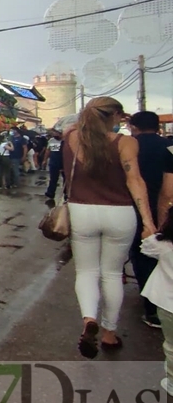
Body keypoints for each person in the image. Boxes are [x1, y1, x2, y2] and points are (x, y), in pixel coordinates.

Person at [64, 97, 156, 359]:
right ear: (115, 115)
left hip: (82, 211)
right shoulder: (126, 142)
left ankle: (89, 319)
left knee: (86, 271)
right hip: (119, 213)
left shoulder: (71, 138)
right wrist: (148, 223)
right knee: (113, 274)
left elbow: (73, 129)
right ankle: (109, 333)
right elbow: (135, 181)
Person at [128, 111, 173, 328]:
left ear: (134, 126)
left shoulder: (129, 147)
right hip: (167, 211)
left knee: (141, 253)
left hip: (136, 208)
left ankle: (151, 308)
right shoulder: (167, 146)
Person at [140, 229, 173, 397]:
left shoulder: (162, 244)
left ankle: (172, 381)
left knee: (171, 345)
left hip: (168, 305)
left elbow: (145, 247)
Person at [44, 129, 65, 201]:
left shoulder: (65, 141)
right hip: (53, 162)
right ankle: (50, 193)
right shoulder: (51, 140)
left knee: (66, 179)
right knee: (53, 179)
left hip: (63, 162)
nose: (54, 134)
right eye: (53, 133)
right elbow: (48, 150)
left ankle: (66, 194)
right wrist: (45, 160)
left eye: (56, 133)